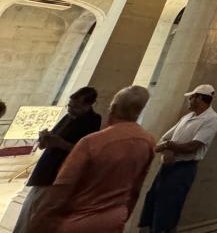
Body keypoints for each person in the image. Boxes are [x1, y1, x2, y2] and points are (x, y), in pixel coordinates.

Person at [25, 86, 155, 233]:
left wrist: (38, 222)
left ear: (112, 107)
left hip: (77, 219)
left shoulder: (93, 142)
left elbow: (62, 188)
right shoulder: (148, 141)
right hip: (113, 219)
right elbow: (135, 188)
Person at [13, 87, 101, 233]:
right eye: (69, 106)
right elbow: (47, 143)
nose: (71, 110)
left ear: (88, 105)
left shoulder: (93, 121)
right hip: (45, 170)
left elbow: (87, 151)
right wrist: (44, 138)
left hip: (59, 174)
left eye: (76, 107)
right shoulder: (68, 117)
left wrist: (61, 143)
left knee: (38, 217)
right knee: (28, 212)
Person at [138, 84, 217, 233]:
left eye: (192, 97)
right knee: (154, 200)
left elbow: (193, 146)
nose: (189, 100)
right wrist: (167, 148)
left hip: (183, 169)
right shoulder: (187, 117)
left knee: (169, 206)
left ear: (200, 99)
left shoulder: (211, 119)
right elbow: (165, 137)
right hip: (168, 167)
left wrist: (168, 146)